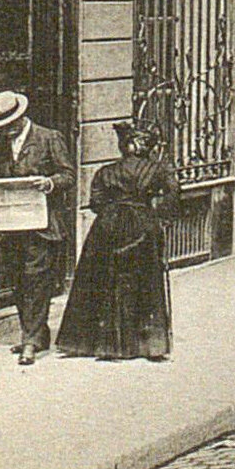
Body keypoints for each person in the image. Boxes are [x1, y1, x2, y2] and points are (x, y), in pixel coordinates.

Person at [56, 121, 179, 361]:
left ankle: (101, 344)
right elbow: (173, 195)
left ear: (126, 146)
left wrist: (114, 212)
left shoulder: (106, 171)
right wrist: (160, 218)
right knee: (145, 282)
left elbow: (95, 203)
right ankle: (148, 346)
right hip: (143, 225)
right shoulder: (160, 170)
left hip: (107, 228)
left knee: (103, 280)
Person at [0, 91, 74, 367]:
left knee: (36, 280)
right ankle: (36, 333)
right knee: (19, 281)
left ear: (21, 117)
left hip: (42, 224)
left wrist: (50, 183)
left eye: (10, 125)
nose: (6, 131)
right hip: (11, 225)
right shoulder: (0, 144)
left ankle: (30, 341)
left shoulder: (49, 138)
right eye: (1, 127)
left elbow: (68, 174)